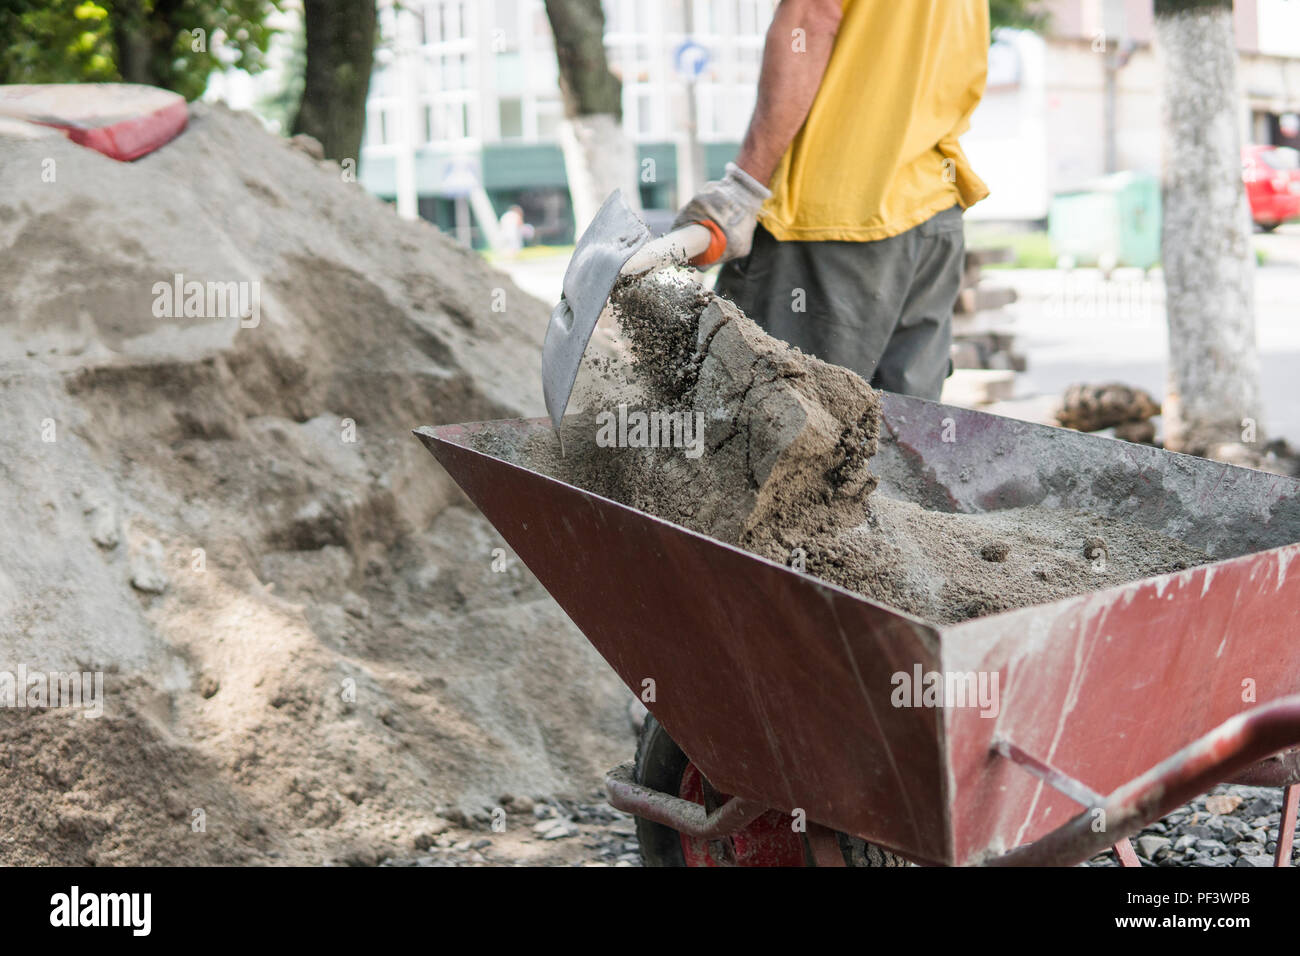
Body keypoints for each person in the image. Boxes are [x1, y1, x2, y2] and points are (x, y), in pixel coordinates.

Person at [674, 0, 990, 400]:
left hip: (830, 217)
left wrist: (746, 186)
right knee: (896, 444)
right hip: (931, 208)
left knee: (750, 425)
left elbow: (811, 16)